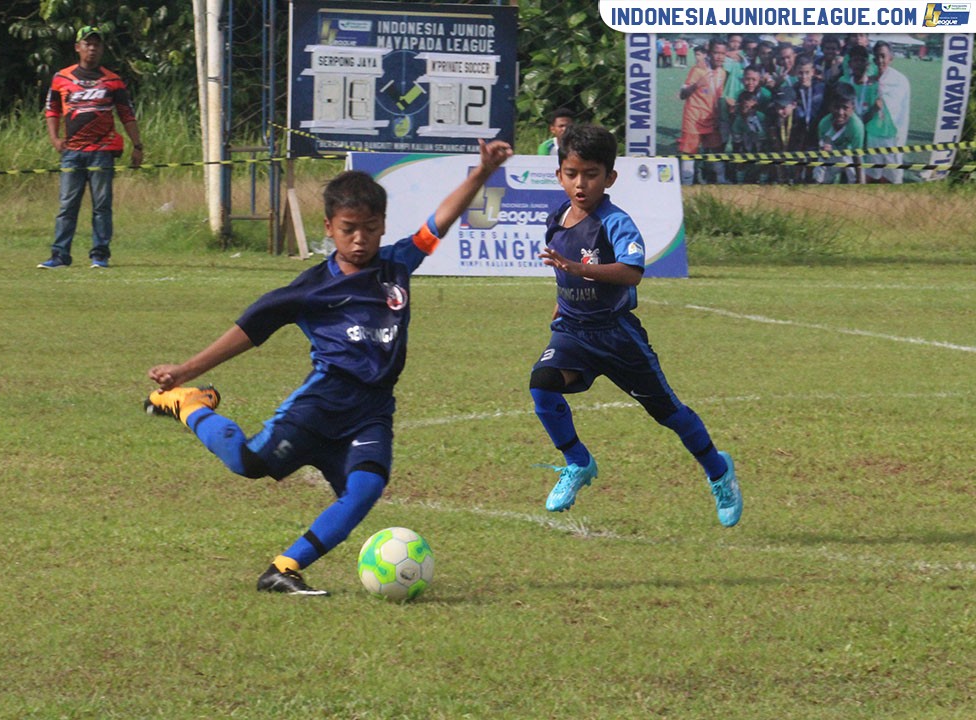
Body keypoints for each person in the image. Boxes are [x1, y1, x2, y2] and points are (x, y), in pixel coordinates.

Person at [143, 139, 514, 596]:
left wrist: (481, 172)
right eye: (348, 229)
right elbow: (249, 330)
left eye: (370, 228)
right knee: (247, 463)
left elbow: (441, 217)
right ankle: (189, 406)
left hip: (373, 409)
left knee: (364, 489)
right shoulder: (309, 290)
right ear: (329, 228)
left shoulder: (397, 264)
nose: (360, 239)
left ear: (382, 227)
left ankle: (284, 569)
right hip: (321, 405)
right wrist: (186, 372)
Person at [527, 124, 742, 527]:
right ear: (559, 175)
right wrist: (560, 305)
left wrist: (578, 268)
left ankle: (718, 470)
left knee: (670, 414)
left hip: (616, 337)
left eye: (591, 175)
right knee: (542, 384)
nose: (580, 184)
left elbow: (631, 272)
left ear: (609, 178)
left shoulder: (615, 222)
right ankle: (578, 463)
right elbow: (565, 276)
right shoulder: (557, 217)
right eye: (572, 174)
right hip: (572, 332)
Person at [38, 25, 143, 269]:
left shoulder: (113, 80)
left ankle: (100, 255)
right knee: (67, 206)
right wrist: (54, 139)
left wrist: (137, 145)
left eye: (97, 44)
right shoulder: (61, 78)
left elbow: (127, 114)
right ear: (78, 48)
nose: (92, 49)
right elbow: (52, 110)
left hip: (102, 152)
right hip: (72, 152)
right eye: (87, 44)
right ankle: (60, 255)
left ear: (102, 49)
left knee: (102, 206)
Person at [677, 38, 728, 184]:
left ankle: (721, 182)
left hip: (710, 118)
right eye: (716, 53)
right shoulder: (697, 70)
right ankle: (686, 186)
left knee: (717, 150)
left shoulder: (722, 73)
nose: (719, 56)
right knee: (690, 152)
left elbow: (717, 97)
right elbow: (682, 94)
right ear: (709, 53)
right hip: (693, 118)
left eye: (723, 53)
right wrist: (696, 85)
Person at [865, 41, 910, 184]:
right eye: (876, 57)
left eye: (883, 56)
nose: (880, 61)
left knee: (893, 176)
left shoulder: (900, 81)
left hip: (892, 136)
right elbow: (866, 108)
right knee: (872, 174)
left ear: (891, 58)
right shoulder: (869, 81)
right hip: (874, 135)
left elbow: (899, 108)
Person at [813, 84, 865, 184]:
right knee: (819, 175)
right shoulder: (824, 124)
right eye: (836, 107)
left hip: (849, 155)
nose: (840, 112)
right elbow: (823, 149)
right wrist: (824, 151)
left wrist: (860, 182)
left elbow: (857, 156)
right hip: (832, 154)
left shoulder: (857, 126)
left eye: (845, 108)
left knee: (856, 178)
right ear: (830, 106)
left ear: (853, 107)